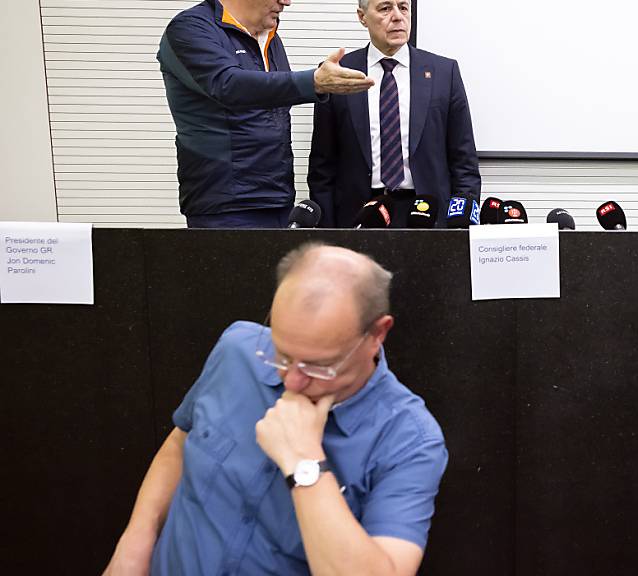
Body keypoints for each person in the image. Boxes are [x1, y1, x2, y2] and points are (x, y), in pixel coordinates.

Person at [104, 243, 447, 575]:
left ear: (377, 334)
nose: (292, 381)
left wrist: (304, 463)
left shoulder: (409, 440)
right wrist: (136, 540)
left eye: (318, 366)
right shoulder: (238, 348)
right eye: (281, 355)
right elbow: (180, 443)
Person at [158, 0, 375, 228]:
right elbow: (228, 85)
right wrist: (313, 82)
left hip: (278, 199)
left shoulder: (270, 37)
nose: (286, 2)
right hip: (226, 205)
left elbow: (274, 101)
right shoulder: (191, 28)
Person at [307, 0, 481, 228]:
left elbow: (464, 161)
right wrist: (328, 232)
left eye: (403, 6)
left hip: (429, 215)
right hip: (359, 216)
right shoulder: (339, 73)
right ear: (362, 17)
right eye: (385, 8)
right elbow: (322, 165)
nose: (398, 16)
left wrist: (460, 225)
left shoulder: (443, 72)